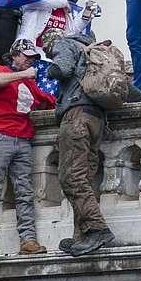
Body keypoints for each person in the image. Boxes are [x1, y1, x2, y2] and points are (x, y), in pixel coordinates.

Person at [0, 38, 56, 258]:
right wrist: (22, 75)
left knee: (24, 193)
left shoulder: (30, 84)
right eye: (26, 56)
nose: (30, 60)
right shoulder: (0, 70)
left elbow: (47, 101)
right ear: (13, 56)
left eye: (32, 57)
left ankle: (28, 240)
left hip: (23, 139)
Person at [45, 32, 114, 256]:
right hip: (97, 119)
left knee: (71, 177)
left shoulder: (65, 44)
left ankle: (97, 229)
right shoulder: (95, 54)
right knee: (85, 177)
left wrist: (47, 69)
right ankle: (81, 235)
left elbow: (62, 69)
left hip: (76, 117)